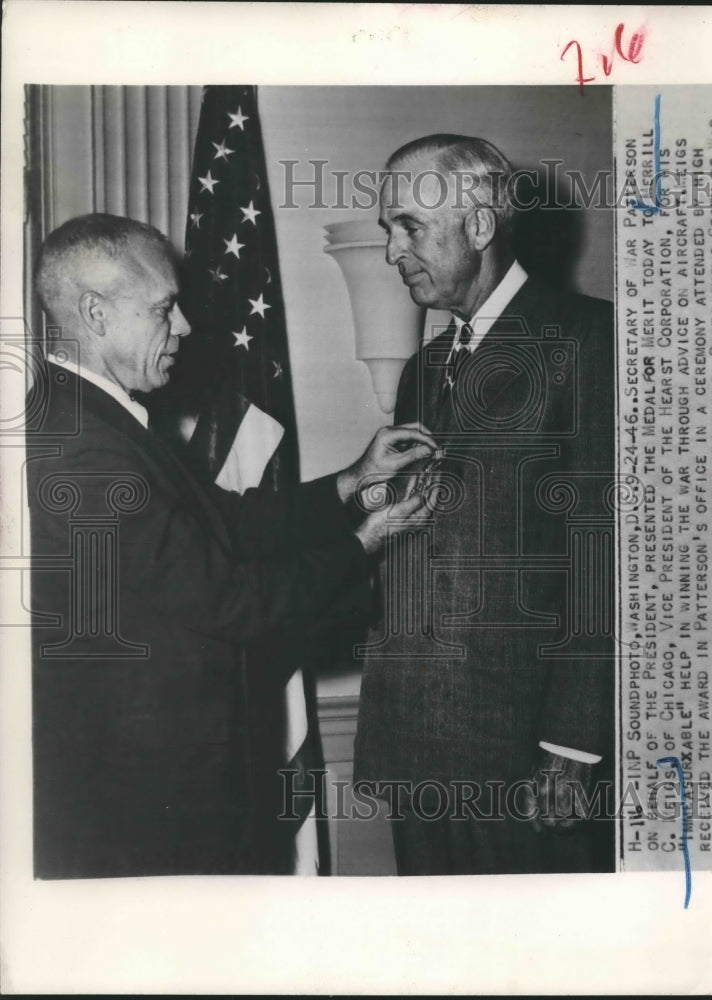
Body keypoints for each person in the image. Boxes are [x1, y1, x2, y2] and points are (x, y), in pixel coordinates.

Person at [26, 213, 437, 879]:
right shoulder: (85, 449)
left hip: (150, 787)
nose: (184, 326)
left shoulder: (88, 418)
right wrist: (366, 542)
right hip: (147, 804)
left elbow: (229, 525)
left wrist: (351, 482)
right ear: (96, 315)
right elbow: (232, 602)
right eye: (164, 308)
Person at [354, 134, 616, 875]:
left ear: (478, 226)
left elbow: (604, 553)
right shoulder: (424, 368)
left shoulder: (586, 339)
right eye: (388, 231)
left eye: (409, 226)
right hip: (419, 741)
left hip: (526, 746)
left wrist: (571, 745)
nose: (391, 252)